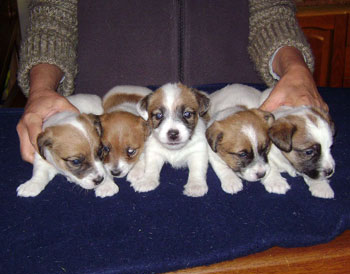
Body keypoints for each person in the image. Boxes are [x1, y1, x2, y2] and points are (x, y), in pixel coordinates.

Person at [16, 0, 328, 164]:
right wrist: (43, 88)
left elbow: (271, 12)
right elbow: (51, 17)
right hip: (108, 119)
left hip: (236, 117)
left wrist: (294, 66)